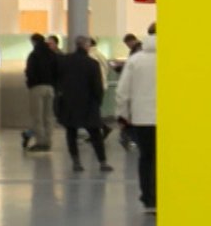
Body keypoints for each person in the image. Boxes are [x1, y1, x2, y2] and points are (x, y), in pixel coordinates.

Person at [57, 36, 113, 174]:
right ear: (86, 46)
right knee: (95, 134)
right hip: (89, 103)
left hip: (70, 102)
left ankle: (76, 162)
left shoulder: (65, 61)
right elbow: (97, 86)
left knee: (71, 133)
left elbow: (58, 79)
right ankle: (103, 162)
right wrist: (98, 101)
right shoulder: (92, 63)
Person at [115, 28, 157, 214]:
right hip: (172, 121)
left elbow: (122, 92)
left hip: (142, 119)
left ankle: (149, 199)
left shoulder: (135, 60)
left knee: (146, 158)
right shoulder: (178, 57)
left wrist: (124, 116)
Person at [21, 34, 59, 152]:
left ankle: (40, 142)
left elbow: (30, 72)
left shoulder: (34, 55)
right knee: (48, 116)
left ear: (34, 41)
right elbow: (58, 71)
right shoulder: (52, 55)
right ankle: (48, 142)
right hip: (51, 88)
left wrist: (30, 83)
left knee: (37, 117)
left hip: (37, 88)